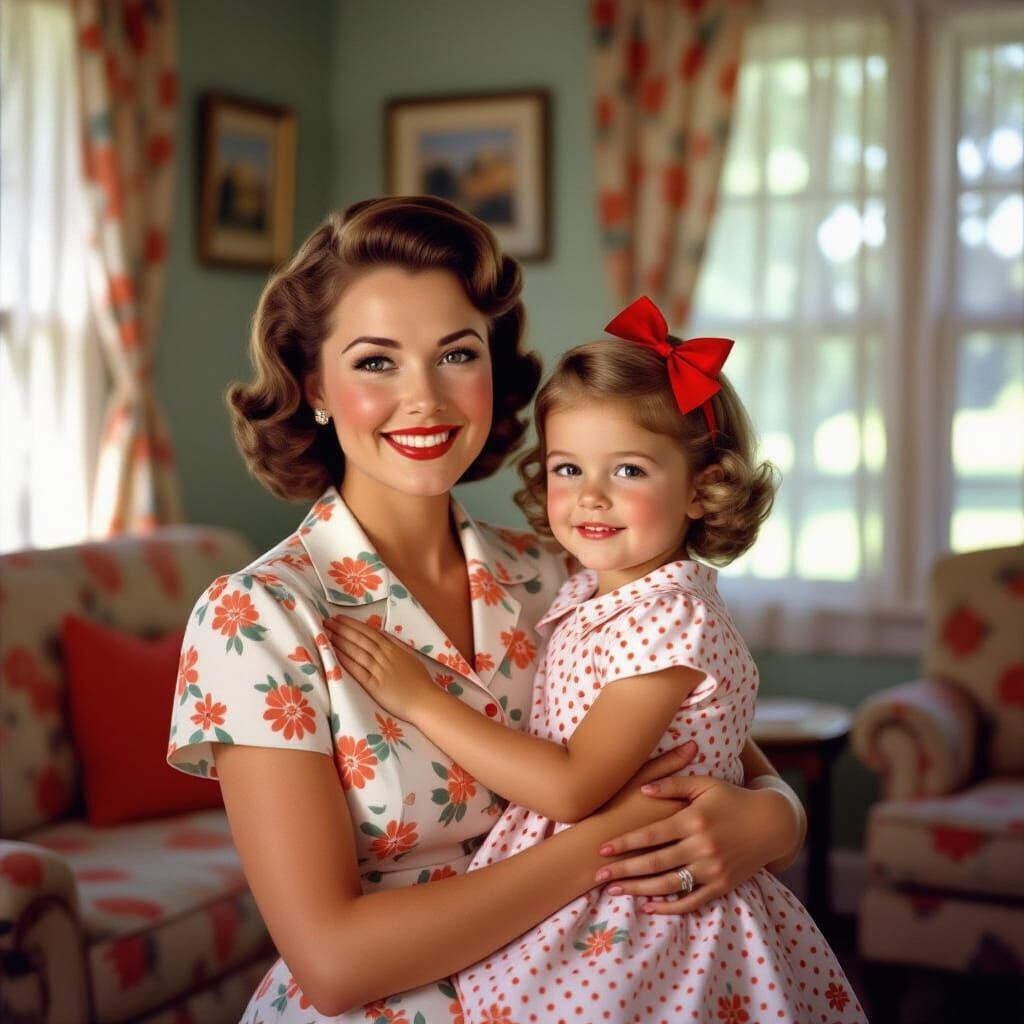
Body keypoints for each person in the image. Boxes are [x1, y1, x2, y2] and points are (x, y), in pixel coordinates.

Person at [166, 198, 808, 1023]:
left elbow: (716, 741)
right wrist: (601, 846)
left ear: (493, 373)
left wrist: (775, 820)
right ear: (315, 385)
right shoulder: (256, 619)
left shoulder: (564, 571)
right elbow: (332, 965)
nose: (425, 397)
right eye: (376, 362)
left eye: (456, 354)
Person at [327, 296, 865, 1024]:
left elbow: (572, 788)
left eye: (629, 471)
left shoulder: (669, 617)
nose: (590, 498)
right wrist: (781, 809)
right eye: (568, 468)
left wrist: (421, 699)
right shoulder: (586, 586)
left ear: (703, 488)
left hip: (650, 918)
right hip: (585, 892)